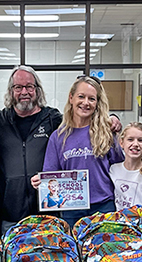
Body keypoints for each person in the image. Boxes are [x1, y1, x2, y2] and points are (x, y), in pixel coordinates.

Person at [34, 75, 124, 229]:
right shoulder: (58, 137)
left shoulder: (106, 133)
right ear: (71, 98)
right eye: (81, 97)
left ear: (97, 103)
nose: (86, 103)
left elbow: (124, 168)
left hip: (104, 206)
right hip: (71, 208)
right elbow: (51, 174)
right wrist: (41, 181)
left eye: (92, 99)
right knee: (75, 251)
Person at [0, 66, 62, 234]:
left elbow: (80, 126)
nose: (24, 91)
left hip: (47, 215)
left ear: (37, 90)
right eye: (18, 87)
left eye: (29, 86)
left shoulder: (53, 119)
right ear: (11, 91)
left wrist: (111, 118)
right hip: (10, 215)